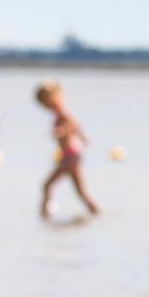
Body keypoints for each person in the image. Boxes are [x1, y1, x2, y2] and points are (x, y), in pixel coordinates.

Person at [33, 80, 99, 220]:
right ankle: (96, 213)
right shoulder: (58, 113)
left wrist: (61, 131)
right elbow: (76, 125)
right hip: (69, 156)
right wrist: (82, 137)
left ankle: (44, 216)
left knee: (47, 186)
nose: (46, 107)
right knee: (80, 192)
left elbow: (72, 123)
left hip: (71, 157)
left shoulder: (61, 112)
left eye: (46, 103)